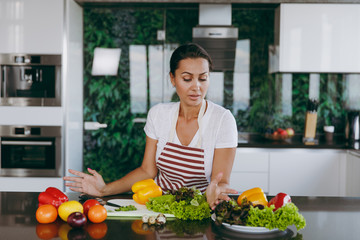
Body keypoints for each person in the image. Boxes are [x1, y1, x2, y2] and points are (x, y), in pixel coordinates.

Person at [64, 43, 238, 209]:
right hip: (157, 208)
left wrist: (217, 193)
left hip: (200, 209)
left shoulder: (222, 119)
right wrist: (104, 190)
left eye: (203, 78)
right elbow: (148, 171)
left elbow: (220, 181)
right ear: (172, 78)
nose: (196, 87)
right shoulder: (159, 115)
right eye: (187, 78)